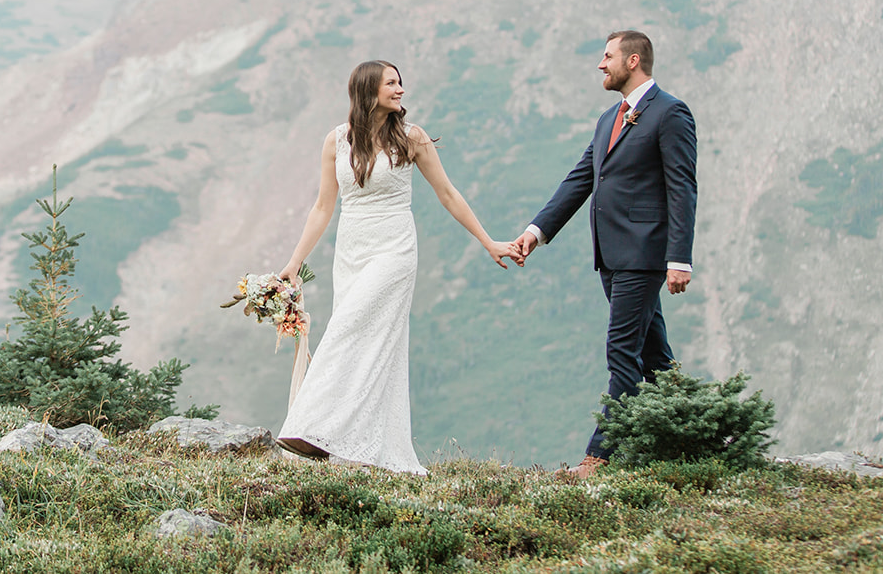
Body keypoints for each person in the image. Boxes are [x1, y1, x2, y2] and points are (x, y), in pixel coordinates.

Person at [276, 60, 521, 473]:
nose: (401, 89)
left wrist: (487, 241)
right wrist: (294, 262)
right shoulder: (336, 141)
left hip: (394, 249)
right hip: (351, 253)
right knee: (374, 345)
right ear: (369, 90)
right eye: (392, 83)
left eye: (400, 82)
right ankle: (366, 449)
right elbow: (323, 206)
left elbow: (447, 193)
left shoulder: (413, 138)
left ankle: (308, 427)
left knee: (345, 328)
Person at [511, 30, 697, 479]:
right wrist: (536, 231)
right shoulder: (607, 119)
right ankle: (691, 438)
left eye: (608, 56)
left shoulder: (670, 113)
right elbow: (580, 180)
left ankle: (601, 457)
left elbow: (682, 187)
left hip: (644, 255)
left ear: (633, 61)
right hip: (610, 256)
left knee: (621, 350)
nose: (601, 64)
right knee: (654, 357)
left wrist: (679, 259)